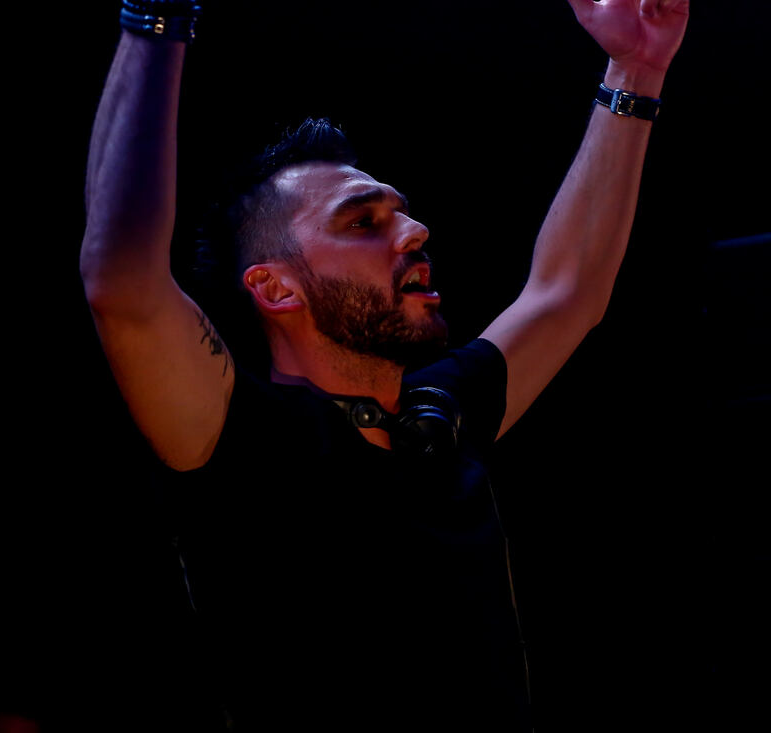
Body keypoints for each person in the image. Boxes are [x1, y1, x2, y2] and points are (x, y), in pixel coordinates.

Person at [80, 0, 689, 728]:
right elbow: (121, 280)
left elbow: (568, 291)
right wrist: (155, 14)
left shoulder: (439, 417)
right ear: (275, 287)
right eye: (362, 221)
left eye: (401, 211)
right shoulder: (236, 434)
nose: (415, 229)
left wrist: (636, 68)